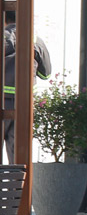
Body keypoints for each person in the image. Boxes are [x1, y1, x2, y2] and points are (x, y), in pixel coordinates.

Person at [2, 24, 52, 164]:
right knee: (17, 156)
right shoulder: (35, 40)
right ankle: (17, 186)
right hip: (24, 104)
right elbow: (45, 74)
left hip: (2, 100)